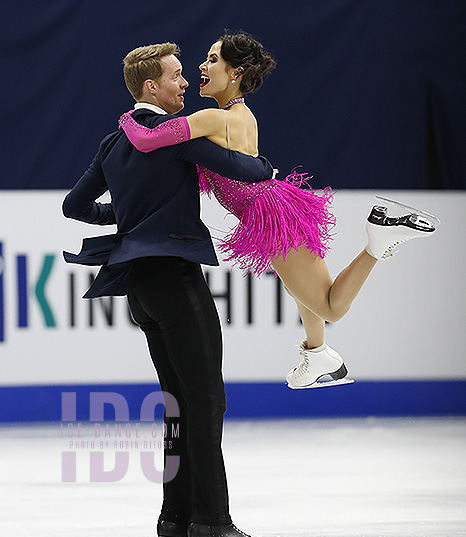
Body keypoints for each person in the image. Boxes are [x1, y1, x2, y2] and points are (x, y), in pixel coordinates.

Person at [118, 31, 439, 389]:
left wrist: (128, 118)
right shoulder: (239, 114)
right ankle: (317, 355)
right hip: (274, 210)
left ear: (235, 73)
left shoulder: (215, 117)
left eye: (212, 60)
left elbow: (149, 139)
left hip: (271, 216)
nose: (201, 66)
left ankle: (379, 240)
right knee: (301, 288)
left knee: (330, 306)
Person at [62, 42, 273, 537]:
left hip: (140, 287)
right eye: (177, 76)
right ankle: (211, 522)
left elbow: (75, 206)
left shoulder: (115, 142)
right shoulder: (174, 141)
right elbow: (248, 171)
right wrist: (269, 169)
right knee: (204, 402)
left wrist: (132, 218)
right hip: (176, 281)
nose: (186, 83)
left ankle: (172, 522)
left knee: (178, 407)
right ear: (151, 86)